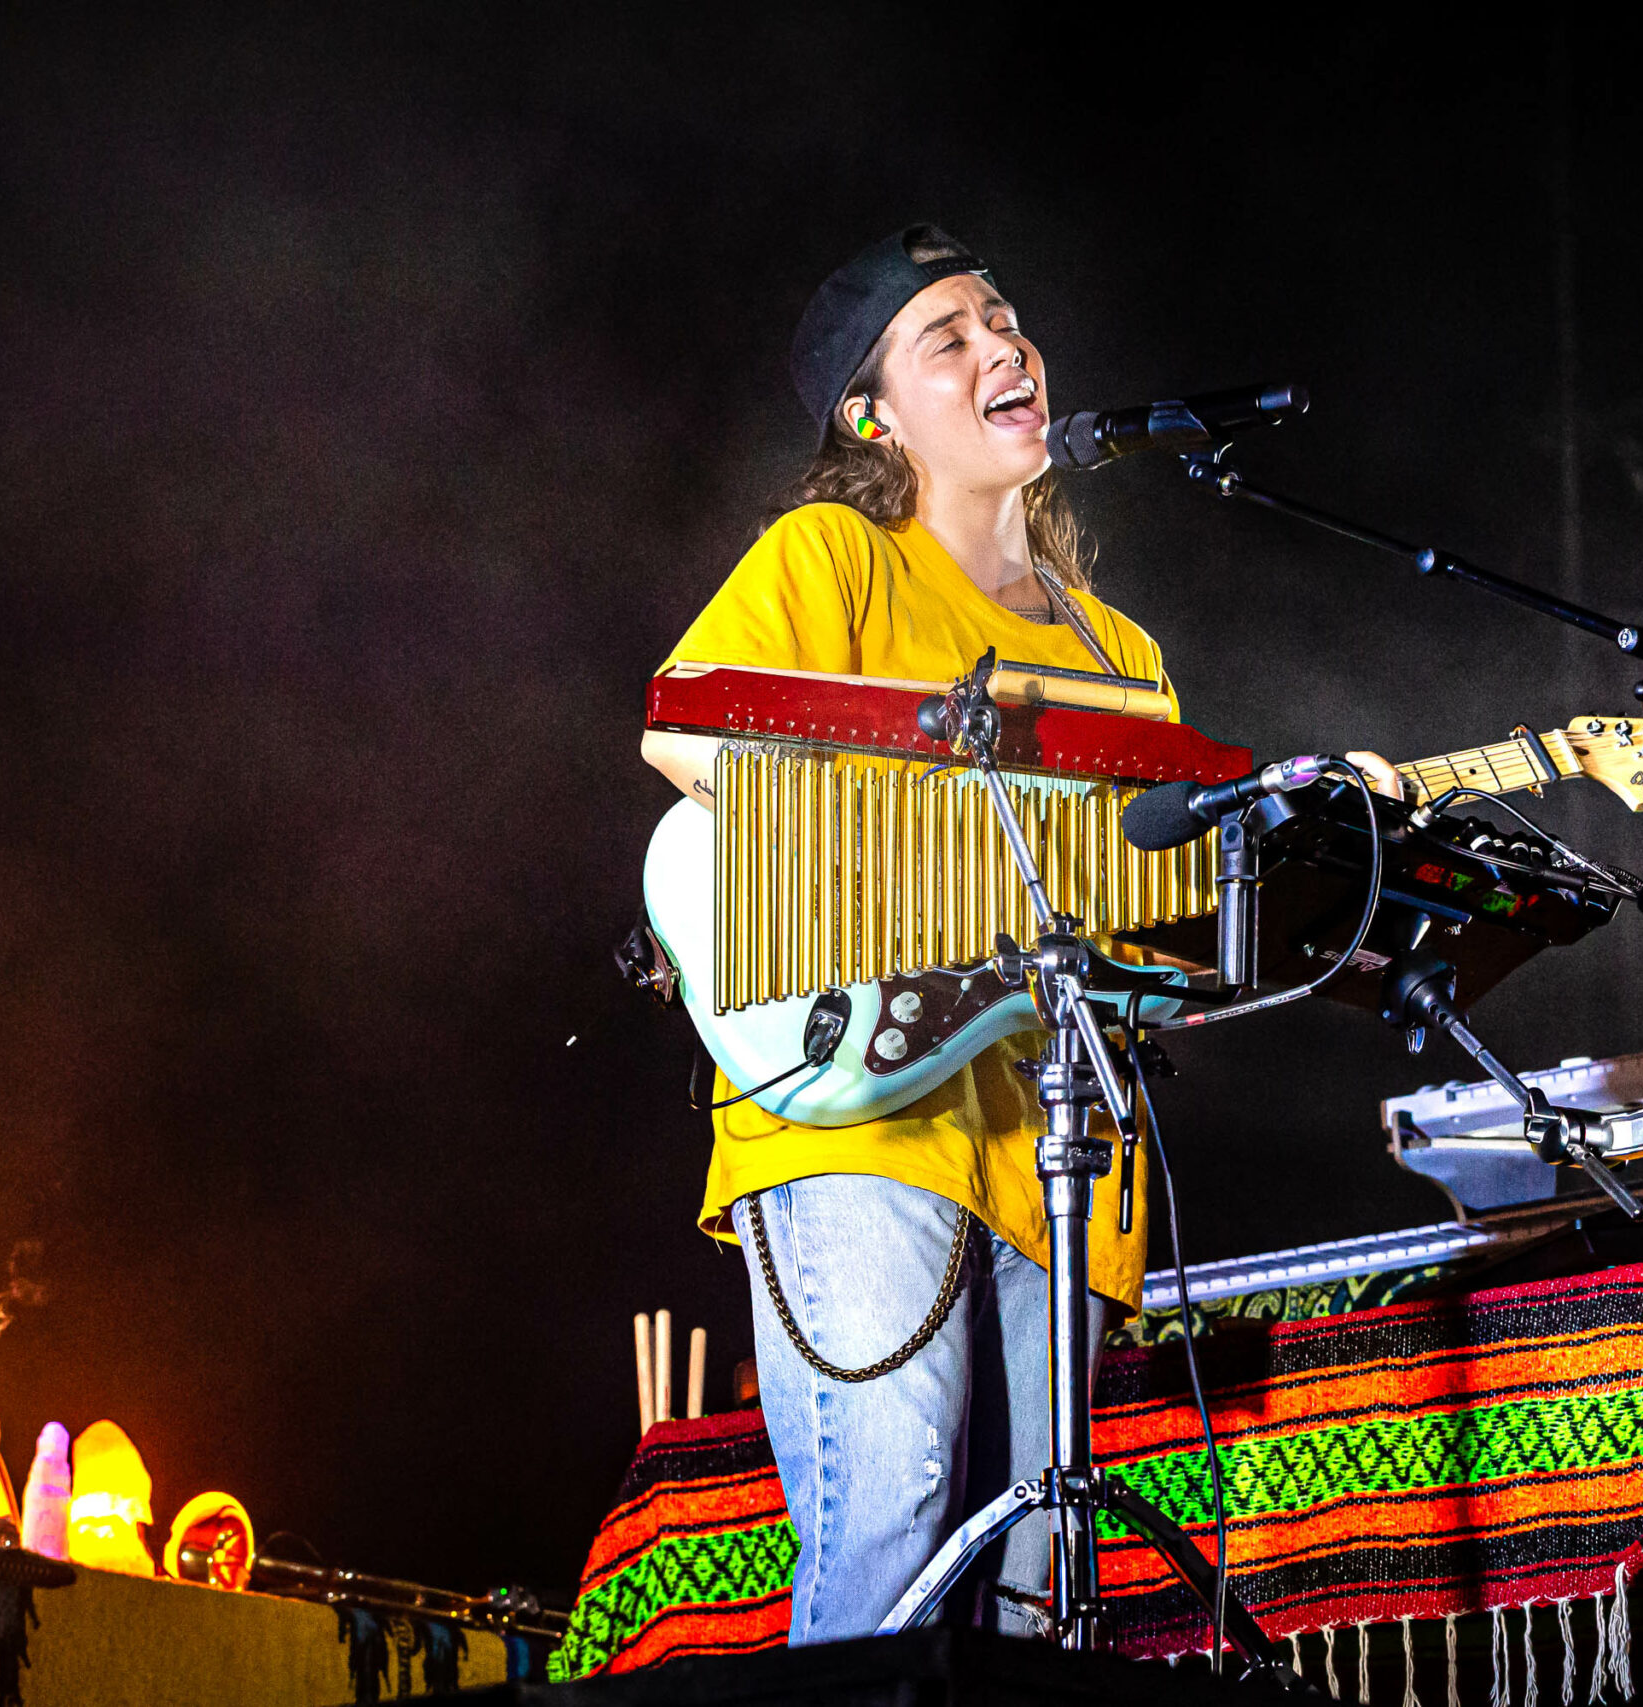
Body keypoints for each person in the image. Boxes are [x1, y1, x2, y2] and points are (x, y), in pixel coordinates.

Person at [640, 225, 1174, 1643]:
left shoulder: (1124, 656)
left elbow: (1154, 909)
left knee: (1050, 1574)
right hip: (860, 1101)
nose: (1005, 345)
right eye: (951, 336)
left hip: (1057, 1134)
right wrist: (908, 886)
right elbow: (690, 729)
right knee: (890, 1514)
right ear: (874, 416)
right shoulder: (835, 554)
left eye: (1007, 319)